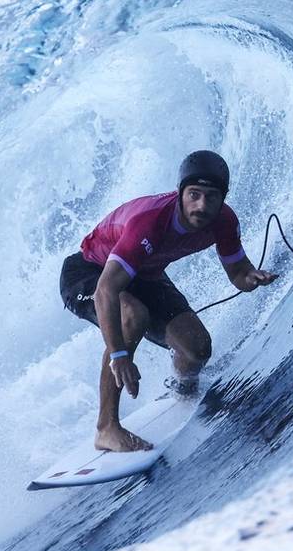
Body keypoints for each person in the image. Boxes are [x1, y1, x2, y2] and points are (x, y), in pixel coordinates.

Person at [58, 150, 278, 452]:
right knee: (133, 315)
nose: (201, 205)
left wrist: (252, 278)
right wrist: (119, 355)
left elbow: (239, 274)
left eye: (211, 197)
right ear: (180, 193)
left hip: (143, 274)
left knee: (197, 348)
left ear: (223, 198)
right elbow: (107, 290)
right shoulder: (149, 224)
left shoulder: (224, 222)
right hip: (89, 272)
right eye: (194, 195)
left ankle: (183, 389)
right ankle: (106, 427)